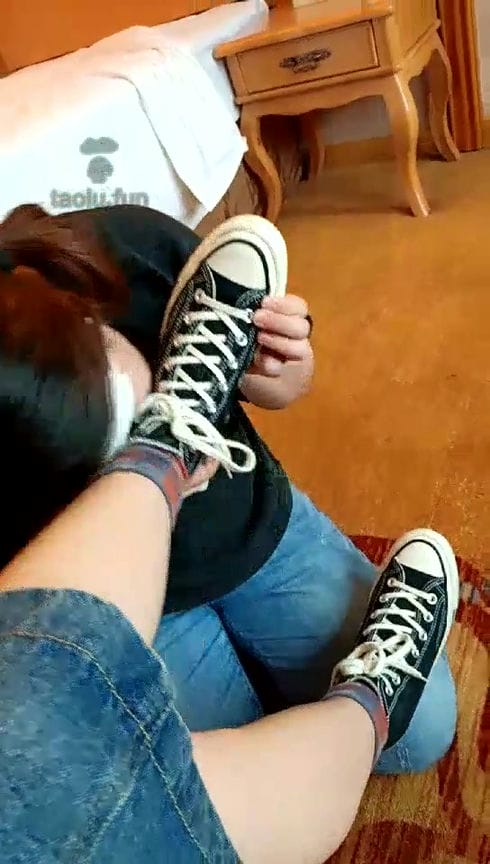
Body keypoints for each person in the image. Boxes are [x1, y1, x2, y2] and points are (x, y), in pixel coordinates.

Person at [0, 281, 459, 862]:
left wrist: (279, 366)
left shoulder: (107, 254)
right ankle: (374, 697)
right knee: (155, 798)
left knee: (424, 733)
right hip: (152, 614)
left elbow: (284, 379)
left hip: (246, 534)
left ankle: (166, 448)